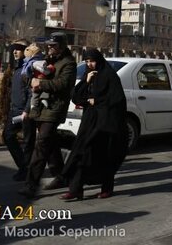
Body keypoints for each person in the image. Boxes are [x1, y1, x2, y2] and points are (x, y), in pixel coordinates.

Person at [59, 48, 128, 201]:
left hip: (105, 124)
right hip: (89, 122)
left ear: (99, 60)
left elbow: (117, 100)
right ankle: (76, 189)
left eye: (92, 61)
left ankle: (106, 188)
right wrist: (86, 81)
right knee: (81, 154)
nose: (90, 64)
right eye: (87, 61)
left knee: (105, 157)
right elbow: (76, 98)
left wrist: (96, 101)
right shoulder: (88, 75)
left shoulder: (110, 76)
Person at [18, 32, 76, 199]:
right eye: (49, 45)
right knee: (51, 143)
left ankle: (31, 185)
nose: (50, 48)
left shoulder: (69, 63)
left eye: (54, 45)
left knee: (42, 143)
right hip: (40, 107)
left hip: (55, 108)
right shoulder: (47, 60)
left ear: (62, 46)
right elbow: (33, 78)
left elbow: (63, 84)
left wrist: (40, 83)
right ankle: (61, 176)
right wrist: (30, 80)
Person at [0, 41, 36, 180]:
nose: (15, 52)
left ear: (26, 51)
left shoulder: (29, 68)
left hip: (26, 112)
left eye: (18, 49)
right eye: (13, 49)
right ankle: (23, 166)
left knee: (28, 142)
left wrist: (27, 110)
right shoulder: (16, 68)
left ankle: (26, 171)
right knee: (7, 136)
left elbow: (32, 92)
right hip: (14, 110)